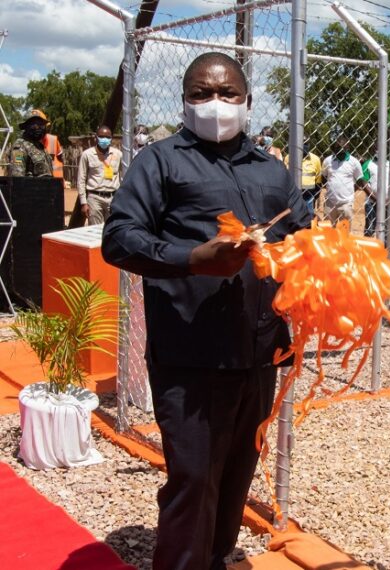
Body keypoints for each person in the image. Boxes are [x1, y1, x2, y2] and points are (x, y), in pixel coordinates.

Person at [102, 52, 311, 570]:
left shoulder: (272, 169)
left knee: (237, 473)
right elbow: (120, 238)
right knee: (195, 481)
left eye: (227, 94)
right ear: (184, 99)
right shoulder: (160, 161)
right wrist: (193, 258)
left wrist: (329, 260)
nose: (215, 104)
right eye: (201, 93)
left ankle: (216, 558)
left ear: (247, 101)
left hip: (260, 351)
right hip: (191, 356)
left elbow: (303, 235)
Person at [321, 135, 372, 225]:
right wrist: (331, 188)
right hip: (330, 202)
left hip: (346, 204)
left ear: (347, 148)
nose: (339, 150)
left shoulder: (354, 162)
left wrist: (369, 194)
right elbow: (324, 178)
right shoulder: (327, 161)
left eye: (342, 147)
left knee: (344, 233)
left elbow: (360, 180)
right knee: (327, 232)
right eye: (337, 147)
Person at [77, 125, 122, 225]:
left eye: (107, 137)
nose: (104, 139)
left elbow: (122, 177)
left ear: (111, 138)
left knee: (113, 229)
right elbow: (81, 179)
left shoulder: (118, 154)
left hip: (113, 198)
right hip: (94, 198)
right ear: (96, 137)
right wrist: (83, 202)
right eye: (101, 136)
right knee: (95, 230)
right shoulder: (87, 155)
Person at [361, 150, 390, 239]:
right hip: (371, 203)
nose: (379, 150)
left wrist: (389, 198)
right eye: (376, 147)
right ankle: (368, 251)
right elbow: (364, 184)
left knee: (386, 230)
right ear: (374, 149)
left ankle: (385, 250)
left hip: (387, 203)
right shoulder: (368, 164)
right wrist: (376, 199)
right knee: (370, 230)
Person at [8, 109, 54, 177]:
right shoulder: (19, 147)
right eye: (35, 125)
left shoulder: (40, 147)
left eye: (41, 125)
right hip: (30, 187)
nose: (39, 128)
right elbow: (17, 177)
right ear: (26, 126)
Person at [283, 140, 321, 216]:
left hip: (308, 198)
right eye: (302, 143)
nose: (304, 146)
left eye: (306, 143)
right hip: (292, 198)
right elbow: (284, 177)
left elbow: (318, 181)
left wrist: (315, 197)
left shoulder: (315, 159)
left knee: (308, 220)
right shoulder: (288, 158)